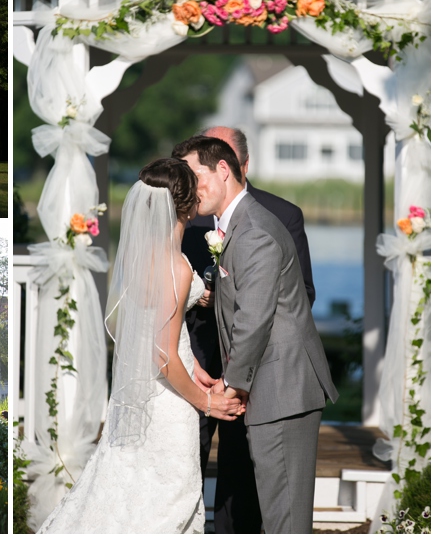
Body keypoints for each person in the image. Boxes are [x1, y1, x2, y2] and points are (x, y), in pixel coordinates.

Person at [38, 158, 243, 534]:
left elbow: (146, 330)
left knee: (128, 491)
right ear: (187, 204)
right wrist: (206, 403)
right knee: (168, 500)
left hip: (139, 394)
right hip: (166, 404)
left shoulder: (141, 256)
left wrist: (196, 368)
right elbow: (162, 354)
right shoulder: (176, 267)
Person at [174, 135, 338, 534]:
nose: (189, 189)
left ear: (224, 170)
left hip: (282, 390)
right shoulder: (238, 225)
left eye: (194, 176)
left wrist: (228, 389)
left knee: (284, 520)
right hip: (270, 389)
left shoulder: (255, 232)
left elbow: (253, 319)